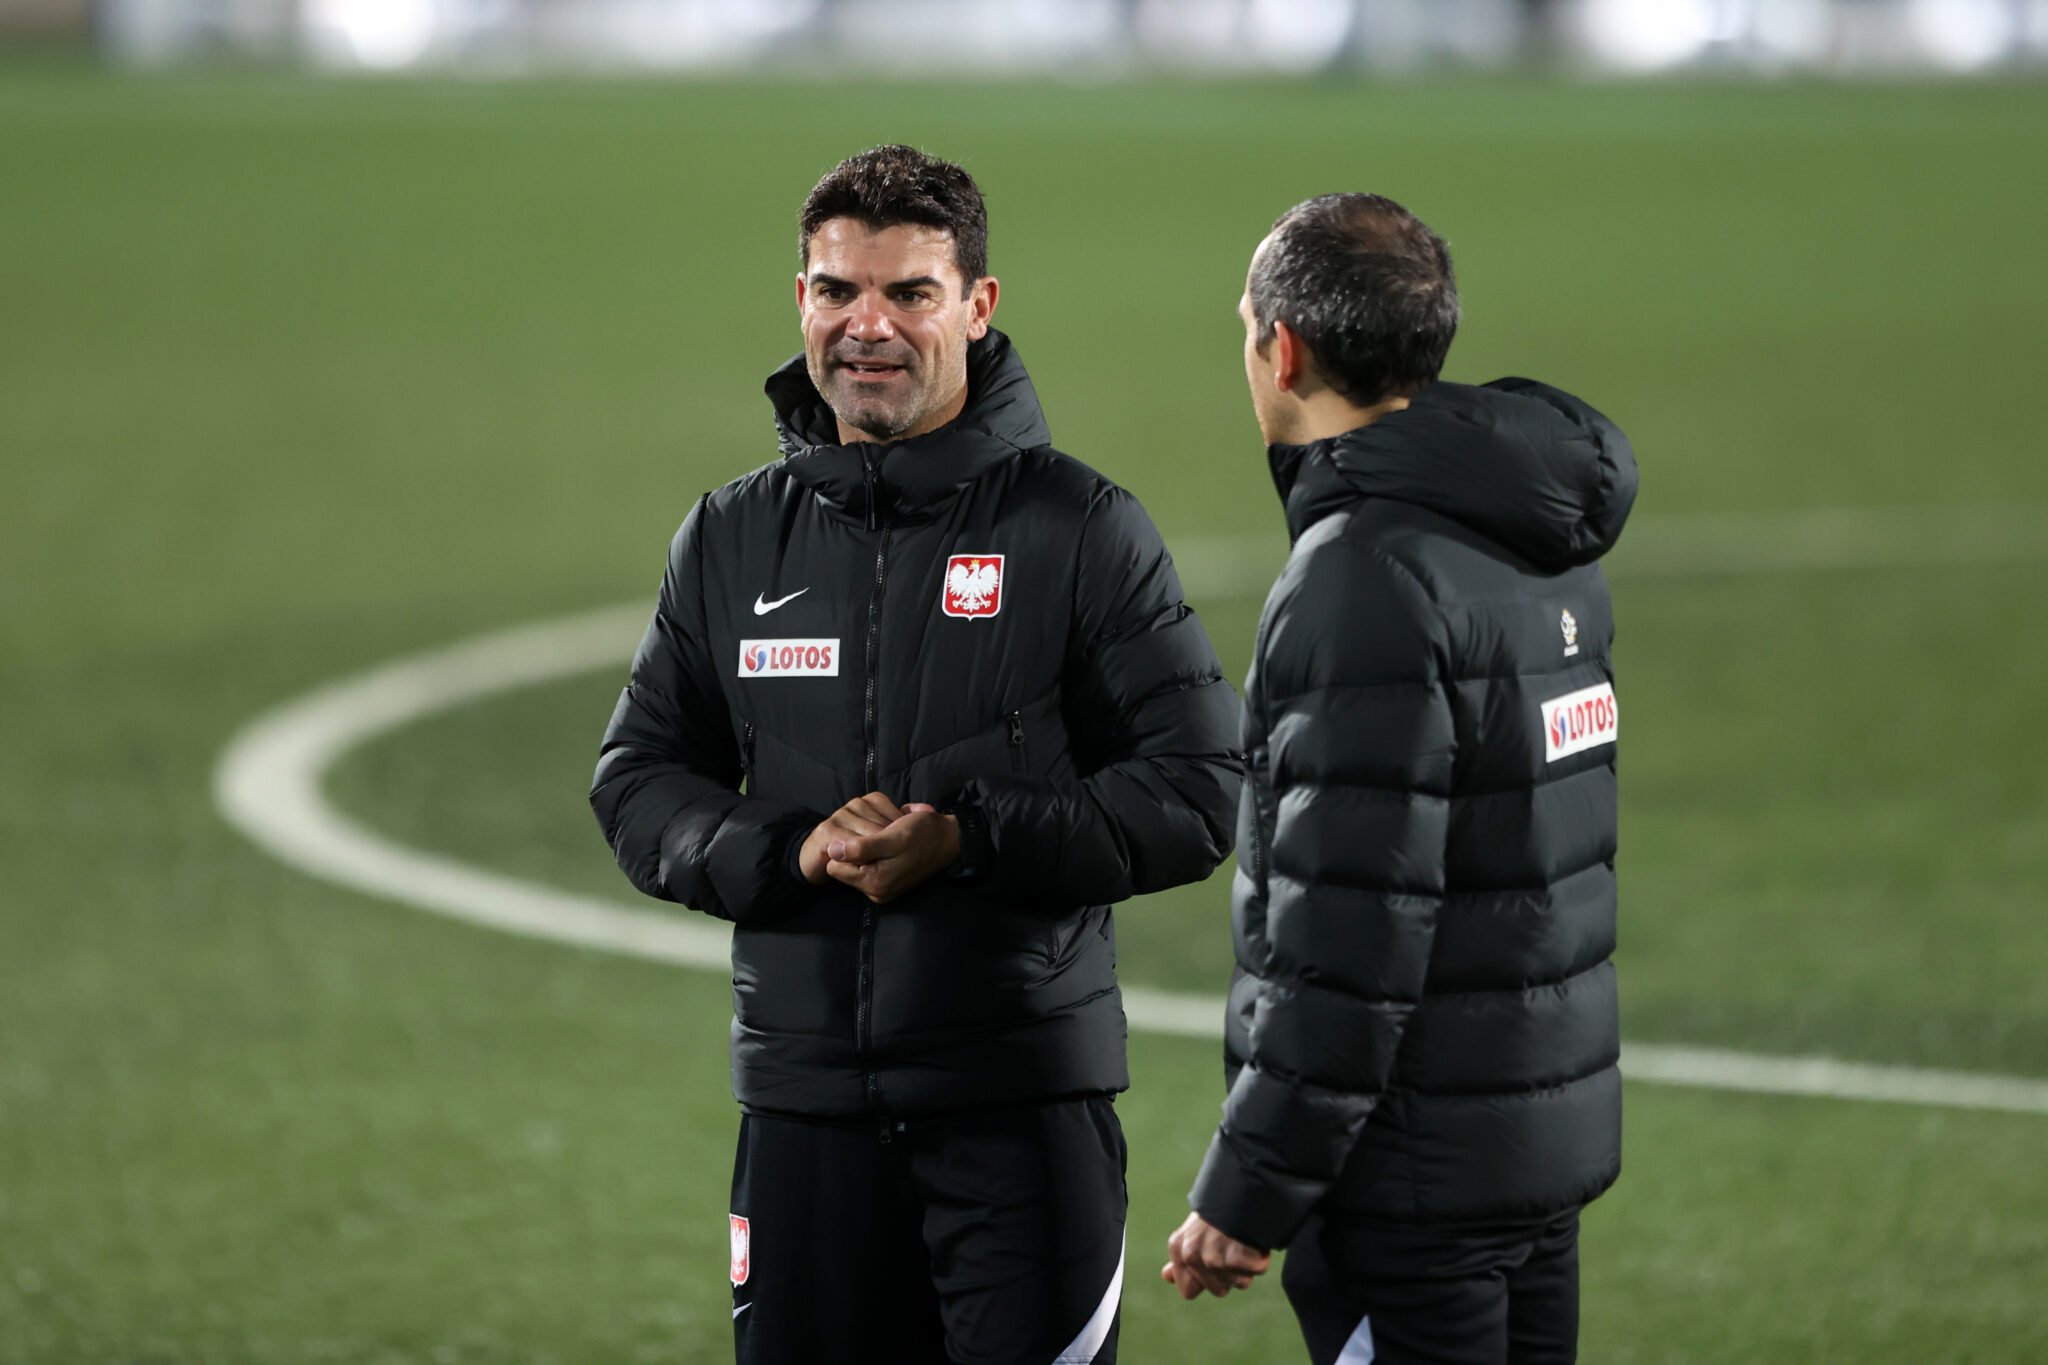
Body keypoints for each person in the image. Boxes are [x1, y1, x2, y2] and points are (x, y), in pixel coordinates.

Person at [591, 145, 1242, 1365]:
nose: (866, 327)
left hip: (1019, 1117)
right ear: (800, 299)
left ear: (978, 307)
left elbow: (1200, 790)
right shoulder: (732, 537)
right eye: (837, 291)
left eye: (909, 294)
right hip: (802, 1116)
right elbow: (634, 781)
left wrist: (975, 835)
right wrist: (787, 847)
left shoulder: (1080, 527)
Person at [1162, 193, 1638, 1364]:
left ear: (1281, 348)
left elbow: (1349, 930)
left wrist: (1249, 1186)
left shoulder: (1359, 576)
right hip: (1528, 1146)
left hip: (1413, 1181)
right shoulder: (1537, 539)